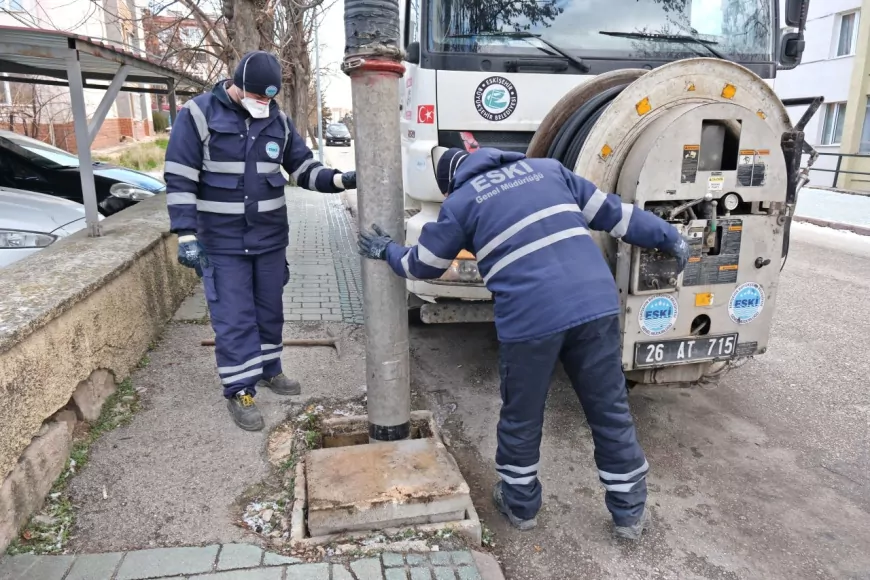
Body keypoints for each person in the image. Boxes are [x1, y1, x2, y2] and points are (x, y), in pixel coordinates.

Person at [357, 147, 689, 540]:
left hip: (531, 319)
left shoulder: (463, 201)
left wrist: (387, 251)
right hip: (595, 305)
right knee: (609, 409)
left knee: (523, 415)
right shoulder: (550, 170)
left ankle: (520, 505)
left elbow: (423, 265)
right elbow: (619, 216)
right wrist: (671, 238)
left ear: (452, 182)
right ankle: (629, 514)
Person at [164, 51, 356, 431]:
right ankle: (240, 388)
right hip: (221, 243)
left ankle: (270, 369)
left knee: (269, 311)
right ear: (237, 86)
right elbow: (180, 176)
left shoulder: (278, 120)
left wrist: (340, 181)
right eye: (257, 96)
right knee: (234, 317)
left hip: (268, 240)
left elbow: (303, 168)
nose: (263, 104)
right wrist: (186, 233)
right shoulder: (199, 115)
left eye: (269, 98)